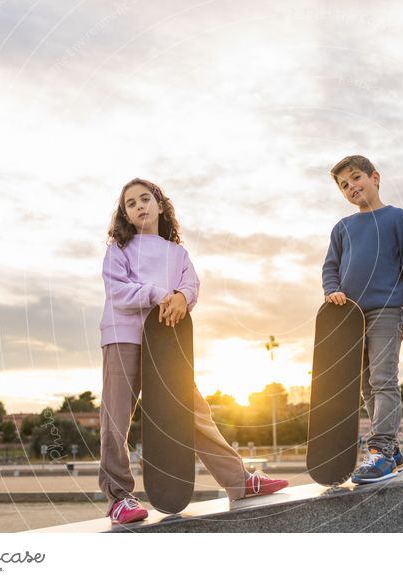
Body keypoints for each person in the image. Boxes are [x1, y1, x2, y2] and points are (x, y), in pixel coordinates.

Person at [99, 177, 287, 524]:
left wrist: (182, 297)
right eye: (131, 203)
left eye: (145, 199)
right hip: (123, 336)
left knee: (195, 413)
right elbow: (117, 292)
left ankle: (239, 481)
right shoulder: (119, 250)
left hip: (168, 342)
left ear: (159, 205)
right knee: (116, 418)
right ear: (124, 214)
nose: (139, 206)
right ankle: (119, 498)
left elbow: (191, 284)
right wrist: (159, 294)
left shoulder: (177, 253)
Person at [322, 155, 403, 483]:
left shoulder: (400, 219)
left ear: (375, 177)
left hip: (386, 310)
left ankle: (380, 451)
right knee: (366, 387)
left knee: (384, 380)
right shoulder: (343, 228)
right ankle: (393, 451)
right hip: (349, 317)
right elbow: (330, 268)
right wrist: (332, 291)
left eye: (356, 178)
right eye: (344, 185)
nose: (352, 187)